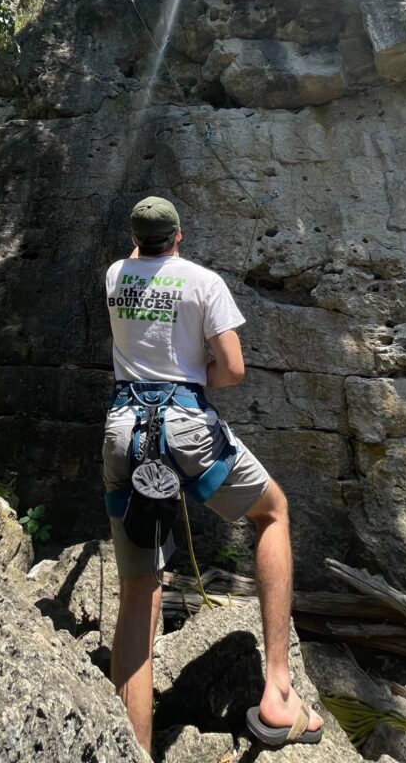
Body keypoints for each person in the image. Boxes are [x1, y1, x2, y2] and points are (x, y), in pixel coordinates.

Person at [103, 196, 323, 756]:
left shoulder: (115, 277)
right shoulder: (202, 282)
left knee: (138, 596)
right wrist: (193, 378)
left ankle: (129, 750)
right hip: (184, 424)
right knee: (271, 512)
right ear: (179, 236)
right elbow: (233, 368)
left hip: (125, 430)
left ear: (135, 239)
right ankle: (277, 690)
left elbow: (138, 257)